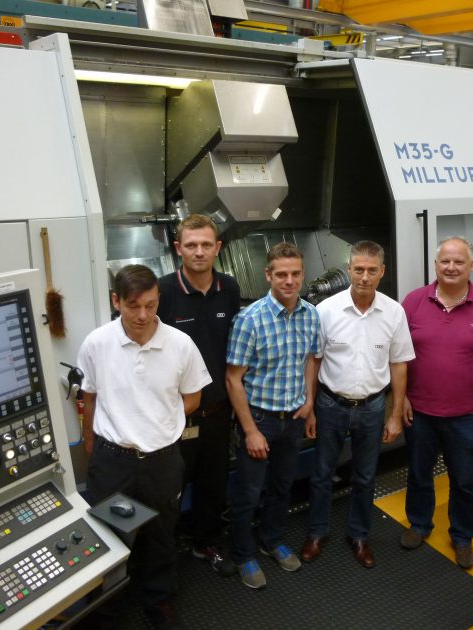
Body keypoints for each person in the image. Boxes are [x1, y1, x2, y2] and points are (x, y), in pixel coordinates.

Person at [77, 264, 211, 629]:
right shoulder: (97, 343)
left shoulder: (180, 344)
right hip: (113, 460)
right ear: (116, 301)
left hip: (162, 460)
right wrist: (90, 441)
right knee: (109, 533)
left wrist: (157, 417)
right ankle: (106, 608)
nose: (142, 315)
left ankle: (159, 599)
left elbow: (193, 398)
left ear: (158, 300)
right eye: (133, 306)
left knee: (161, 532)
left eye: (150, 305)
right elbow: (89, 396)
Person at [301, 241, 415, 568]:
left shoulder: (394, 312)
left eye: (372, 270)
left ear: (382, 272)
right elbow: (314, 360)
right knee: (322, 473)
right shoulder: (326, 311)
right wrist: (310, 407)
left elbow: (399, 365)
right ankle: (317, 532)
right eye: (359, 269)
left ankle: (359, 535)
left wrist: (395, 414)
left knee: (365, 476)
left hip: (372, 407)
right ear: (349, 269)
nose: (365, 277)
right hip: (330, 404)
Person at [400, 236, 473, 570]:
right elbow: (397, 356)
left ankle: (462, 537)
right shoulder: (413, 302)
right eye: (445, 261)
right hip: (419, 412)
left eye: (459, 261)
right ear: (435, 265)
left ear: (471, 266)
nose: (451, 267)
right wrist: (401, 398)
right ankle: (419, 524)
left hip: (466, 416)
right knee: (419, 473)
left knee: (464, 480)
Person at [225, 242, 321, 590]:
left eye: (295, 274)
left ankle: (271, 539)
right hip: (260, 419)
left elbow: (311, 359)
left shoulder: (311, 314)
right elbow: (233, 379)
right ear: (268, 275)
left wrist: (309, 403)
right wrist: (250, 430)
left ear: (303, 274)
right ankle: (243, 554)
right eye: (281, 274)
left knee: (282, 486)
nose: (289, 281)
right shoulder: (249, 319)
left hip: (293, 418)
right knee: (249, 492)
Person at [158, 214, 241, 577]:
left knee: (213, 484)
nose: (199, 252)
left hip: (218, 412)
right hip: (176, 414)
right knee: (169, 489)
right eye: (191, 245)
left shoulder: (230, 288)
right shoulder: (163, 292)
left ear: (218, 248)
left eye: (206, 244)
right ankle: (163, 556)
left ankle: (207, 542)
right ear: (178, 248)